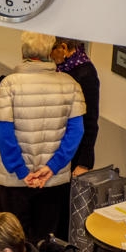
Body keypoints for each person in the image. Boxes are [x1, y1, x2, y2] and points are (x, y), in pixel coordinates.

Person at [0, 31, 85, 243]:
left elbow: (5, 135)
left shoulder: (9, 85)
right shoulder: (71, 85)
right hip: (53, 180)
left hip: (15, 181)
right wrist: (52, 167)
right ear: (51, 52)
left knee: (12, 244)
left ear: (23, 52)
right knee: (46, 244)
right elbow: (76, 132)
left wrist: (22, 172)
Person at [51, 37, 100, 177]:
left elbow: (90, 120)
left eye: (52, 50)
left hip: (74, 151)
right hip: (58, 145)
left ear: (63, 48)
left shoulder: (86, 74)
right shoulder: (63, 67)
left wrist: (84, 163)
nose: (50, 56)